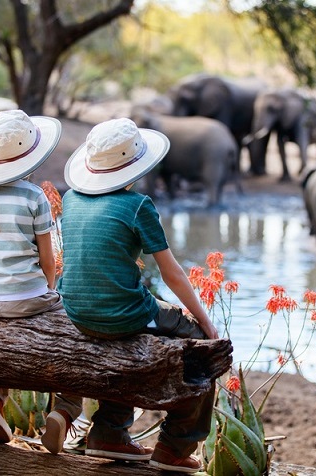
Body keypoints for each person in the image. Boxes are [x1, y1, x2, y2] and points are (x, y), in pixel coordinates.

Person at [59, 117, 220, 473]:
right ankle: (175, 445)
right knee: (203, 352)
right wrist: (206, 323)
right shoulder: (137, 205)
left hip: (75, 311)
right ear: (134, 165)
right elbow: (172, 272)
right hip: (123, 314)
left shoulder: (71, 198)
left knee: (126, 334)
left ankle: (109, 432)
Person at [0, 109, 77, 446]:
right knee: (73, 337)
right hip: (27, 298)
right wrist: (51, 292)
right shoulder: (33, 197)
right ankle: (66, 409)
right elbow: (46, 260)